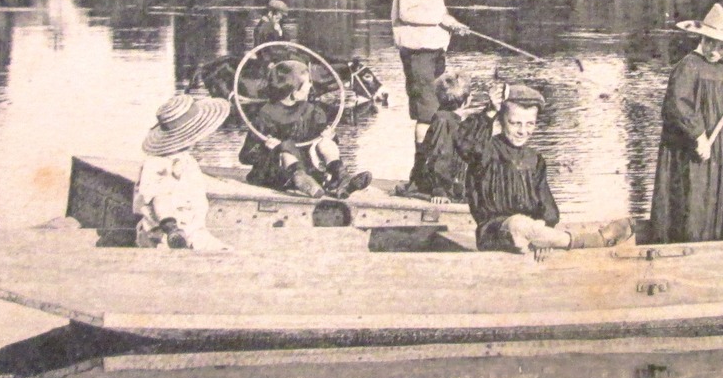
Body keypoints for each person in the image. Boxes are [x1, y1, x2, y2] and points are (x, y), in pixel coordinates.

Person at [453, 83, 632, 253]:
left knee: (530, 227)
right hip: (493, 233)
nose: (523, 131)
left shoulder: (535, 159)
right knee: (518, 225)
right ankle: (591, 241)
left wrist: (544, 230)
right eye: (515, 123)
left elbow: (547, 207)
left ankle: (544, 239)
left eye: (530, 124)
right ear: (501, 120)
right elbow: (464, 144)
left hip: (531, 232)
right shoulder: (485, 150)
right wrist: (490, 111)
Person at [651, 4, 723, 244]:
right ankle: (687, 242)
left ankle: (715, 239)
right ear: (702, 38)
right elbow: (678, 105)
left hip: (720, 145)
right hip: (690, 146)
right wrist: (698, 136)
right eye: (711, 43)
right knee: (694, 192)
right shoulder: (688, 66)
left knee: (715, 191)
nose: (716, 51)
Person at [239, 59, 371, 199]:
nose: (310, 86)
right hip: (276, 172)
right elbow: (245, 157)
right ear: (293, 92)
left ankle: (340, 176)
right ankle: (301, 180)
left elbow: (325, 139)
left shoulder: (312, 111)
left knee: (325, 143)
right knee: (286, 151)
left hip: (307, 168)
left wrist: (330, 136)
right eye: (307, 83)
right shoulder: (265, 115)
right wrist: (266, 147)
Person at [392, 0, 471, 145]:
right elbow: (407, 12)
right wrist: (440, 19)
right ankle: (420, 173)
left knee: (438, 109)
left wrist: (452, 23)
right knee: (426, 113)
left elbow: (436, 12)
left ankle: (436, 167)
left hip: (433, 52)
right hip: (419, 55)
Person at [134, 92, 232, 251]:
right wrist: (172, 228)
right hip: (168, 236)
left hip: (191, 231)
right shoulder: (158, 164)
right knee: (226, 256)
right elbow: (160, 198)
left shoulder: (184, 159)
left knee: (224, 250)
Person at [402, 71, 481, 202]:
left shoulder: (448, 119)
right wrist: (439, 190)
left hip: (447, 180)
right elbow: (438, 155)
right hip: (437, 185)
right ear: (468, 100)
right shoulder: (444, 121)